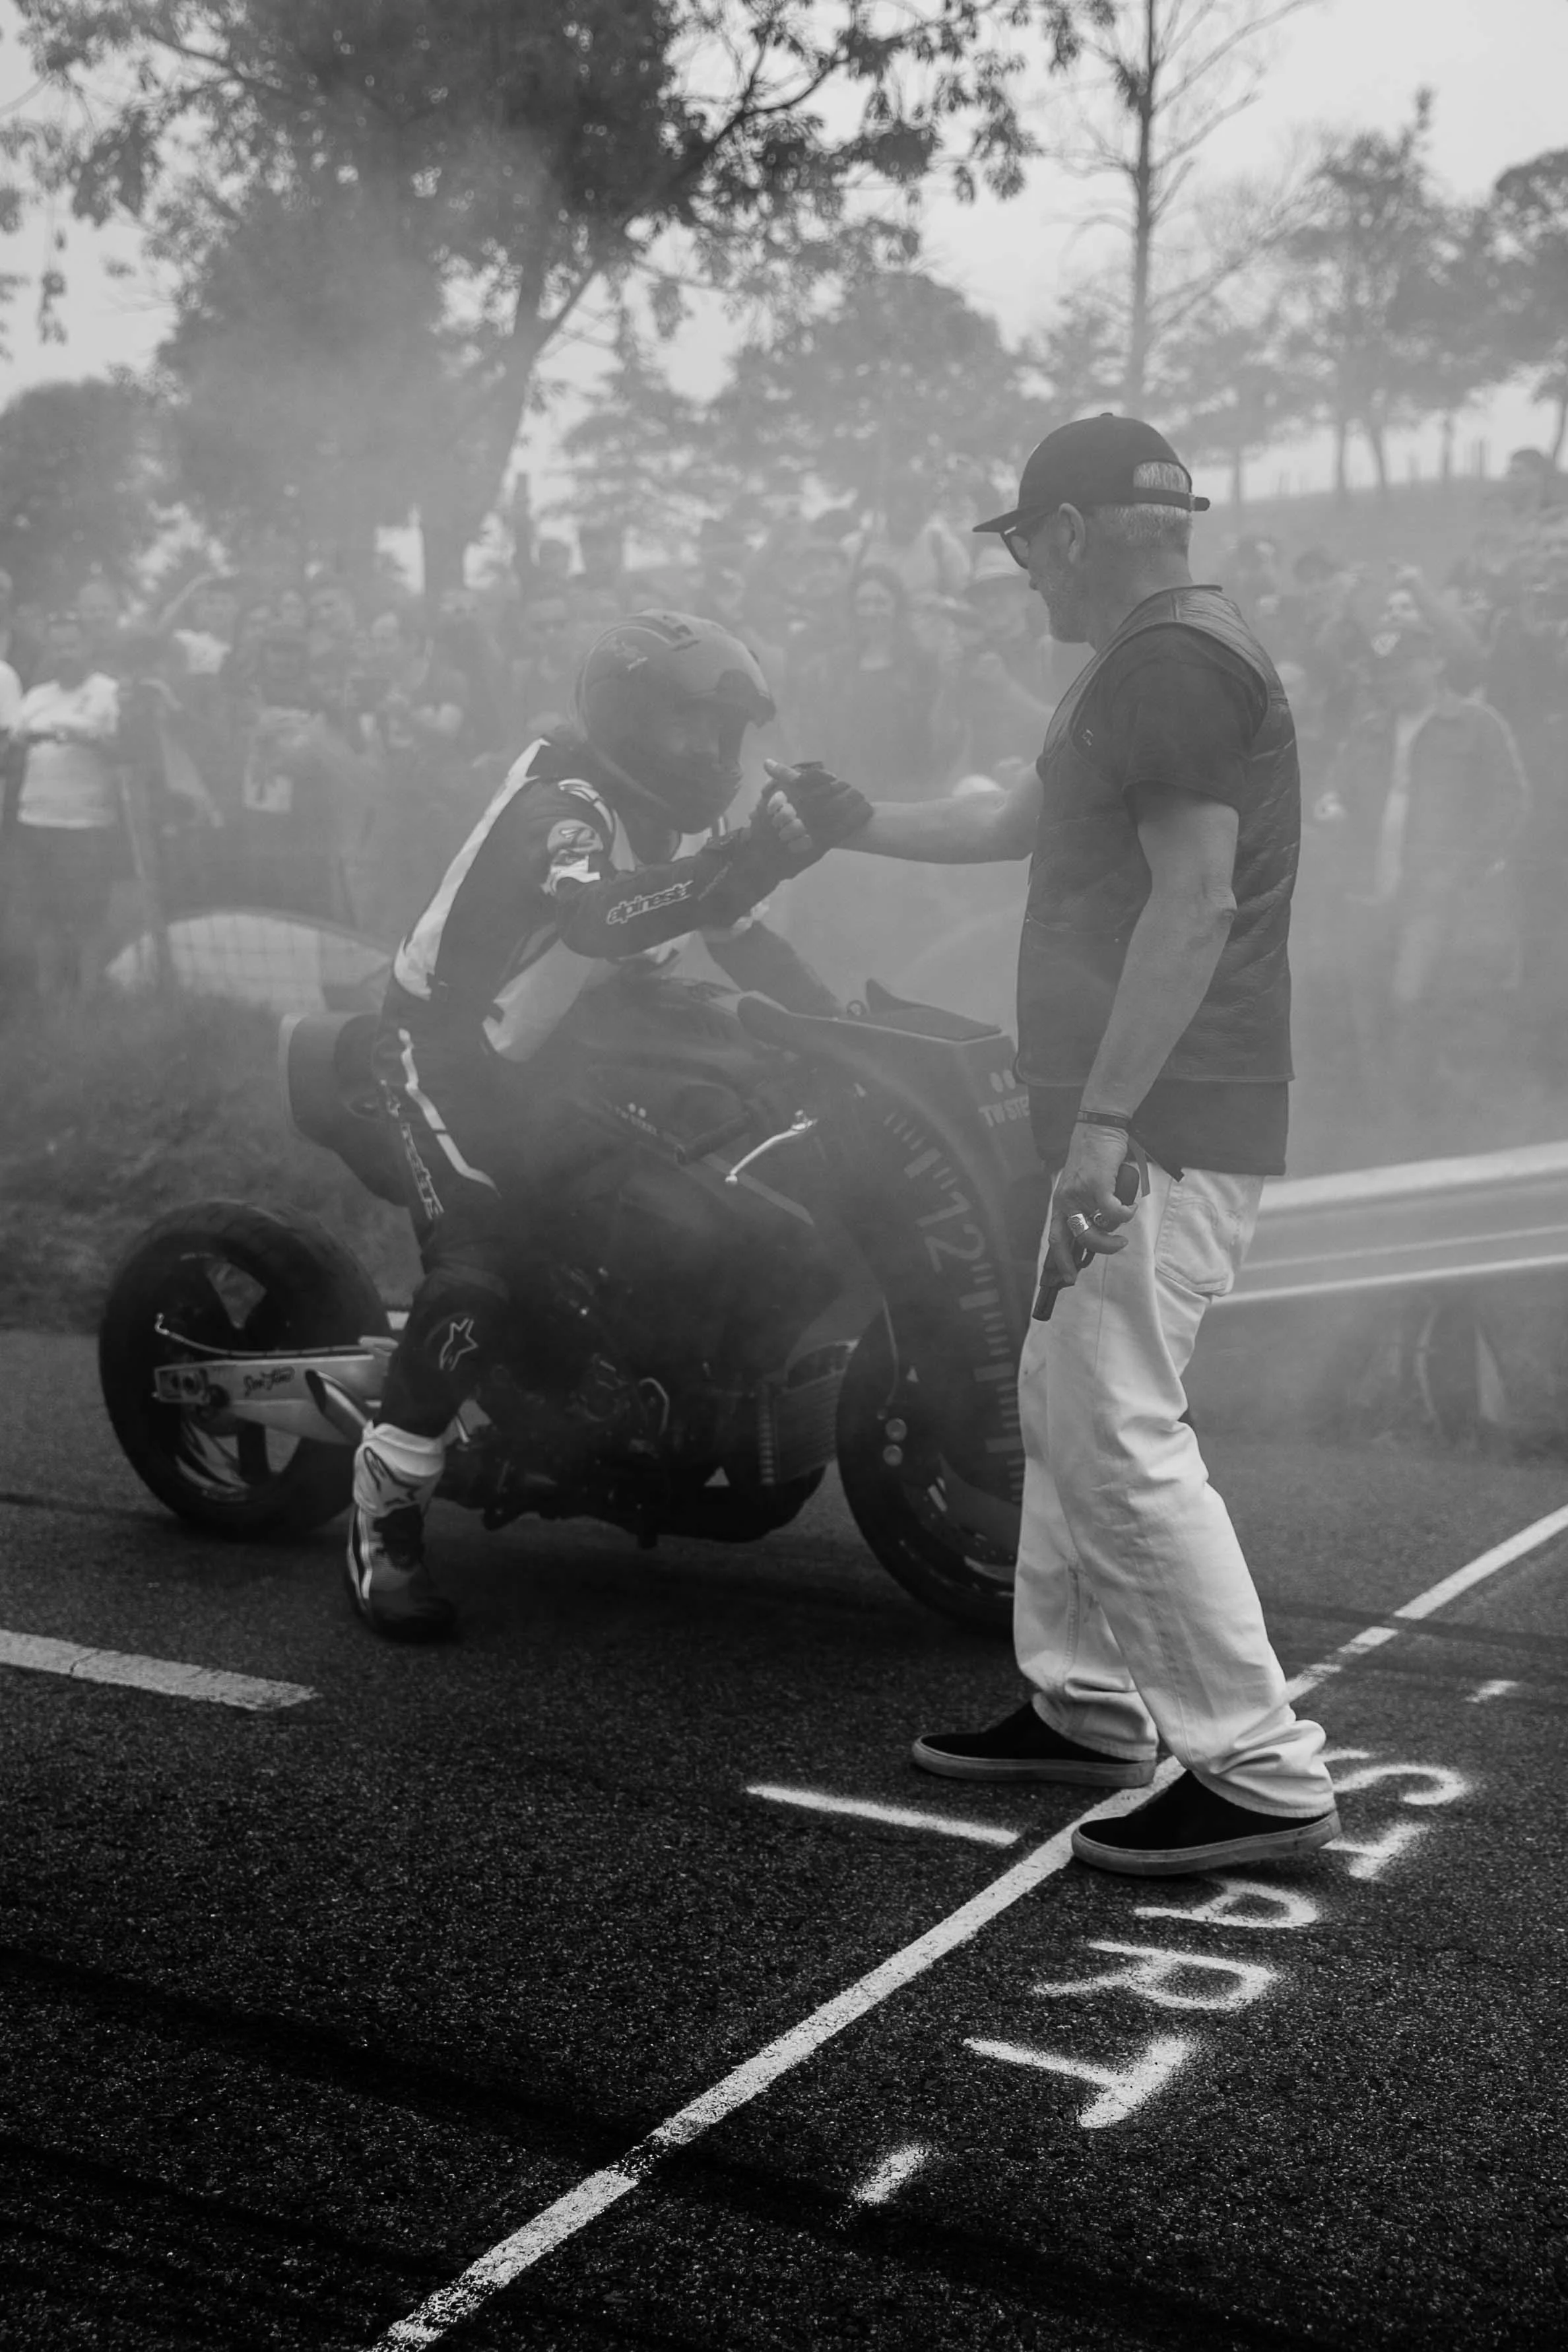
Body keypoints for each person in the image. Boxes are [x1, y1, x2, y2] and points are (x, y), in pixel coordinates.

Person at [772, 413, 1341, 1877]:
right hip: (1139, 1111)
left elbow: (1196, 901)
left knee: (1114, 1419)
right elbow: (1009, 822)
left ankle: (1259, 1767)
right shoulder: (1135, 663)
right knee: (1059, 1391)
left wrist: (1102, 1123)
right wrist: (852, 824)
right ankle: (1088, 1705)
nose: (1023, 574)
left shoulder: (1170, 666)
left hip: (1163, 1116)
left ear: (1075, 531)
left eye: (1028, 544)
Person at [346, 610, 868, 1638]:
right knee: (479, 1268)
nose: (714, 752)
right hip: (444, 1060)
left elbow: (741, 937)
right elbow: (600, 914)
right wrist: (745, 859)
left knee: (697, 1188)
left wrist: (844, 1039)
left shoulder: (670, 820)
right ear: (629, 718)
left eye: (727, 733)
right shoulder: (565, 810)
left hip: (558, 1060)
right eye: (693, 726)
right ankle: (385, 1510)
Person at [5, 612, 123, 997]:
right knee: (44, 914)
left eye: (72, 645)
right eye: (57, 647)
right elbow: (11, 752)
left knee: (88, 915)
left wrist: (89, 738)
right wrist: (18, 743)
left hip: (87, 822)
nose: (65, 654)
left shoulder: (109, 692)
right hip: (36, 818)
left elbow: (125, 752)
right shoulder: (37, 696)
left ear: (88, 646)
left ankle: (88, 996)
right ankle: (47, 995)